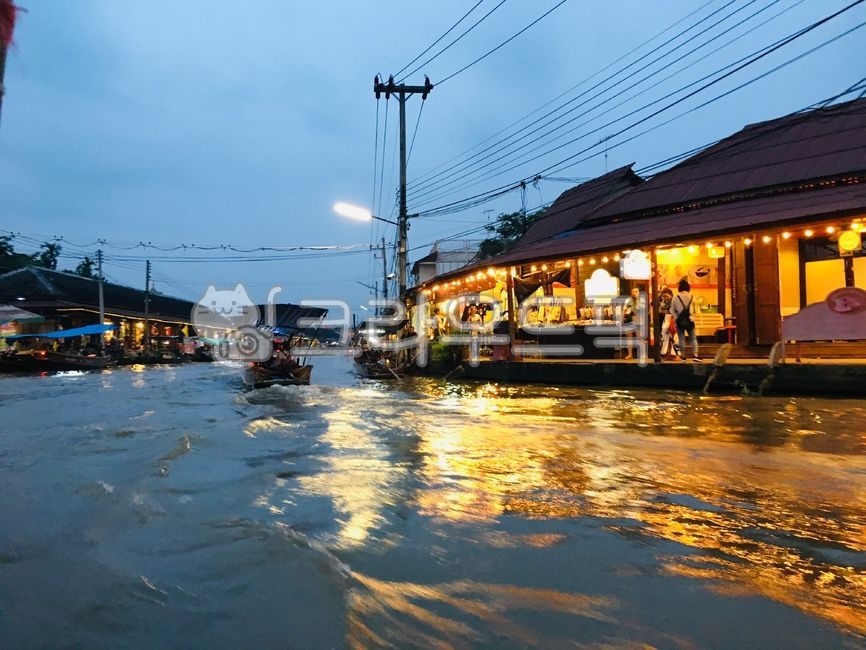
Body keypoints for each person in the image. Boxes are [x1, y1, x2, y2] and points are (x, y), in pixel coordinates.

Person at [670, 279, 701, 362]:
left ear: (679, 287)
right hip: (690, 320)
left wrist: (676, 317)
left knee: (681, 339)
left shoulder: (675, 298)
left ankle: (683, 356)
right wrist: (692, 316)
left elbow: (672, 310)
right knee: (693, 338)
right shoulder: (693, 297)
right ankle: (695, 355)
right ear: (688, 287)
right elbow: (697, 311)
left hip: (679, 321)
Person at [623, 287, 641, 360]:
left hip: (638, 320)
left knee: (639, 337)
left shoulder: (641, 301)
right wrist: (623, 317)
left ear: (639, 293)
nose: (634, 293)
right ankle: (630, 354)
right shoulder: (628, 300)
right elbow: (624, 309)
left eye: (636, 291)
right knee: (629, 338)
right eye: (633, 291)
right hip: (629, 319)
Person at [658, 287, 676, 360]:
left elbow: (676, 311)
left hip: (673, 320)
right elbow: (660, 309)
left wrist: (667, 312)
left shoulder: (675, 300)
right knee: (664, 336)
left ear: (671, 295)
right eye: (663, 297)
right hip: (666, 319)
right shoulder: (664, 302)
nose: (665, 298)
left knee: (673, 337)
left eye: (666, 296)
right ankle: (664, 353)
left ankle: (673, 354)